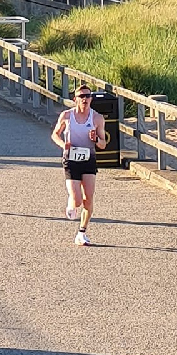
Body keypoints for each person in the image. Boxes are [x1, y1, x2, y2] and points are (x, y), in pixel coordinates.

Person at [51, 84, 107, 246]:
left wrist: (95, 139)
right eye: (81, 96)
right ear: (75, 99)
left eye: (88, 96)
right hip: (71, 159)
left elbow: (103, 144)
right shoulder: (66, 116)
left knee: (88, 198)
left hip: (88, 159)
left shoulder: (97, 118)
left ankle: (82, 232)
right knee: (77, 200)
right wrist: (63, 145)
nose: (85, 99)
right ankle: (72, 203)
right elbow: (55, 134)